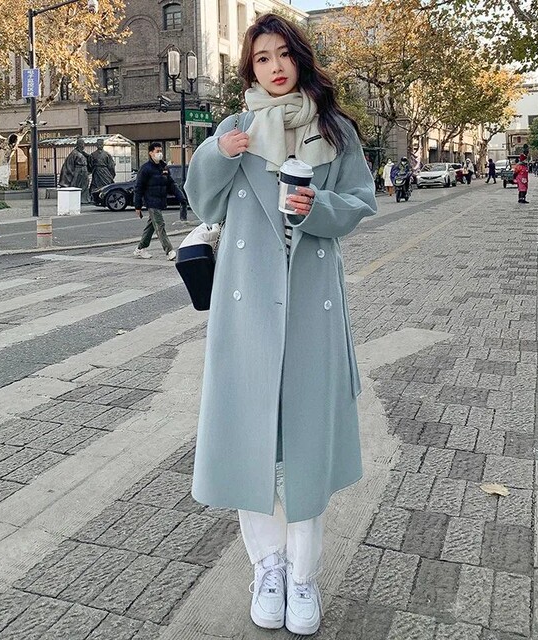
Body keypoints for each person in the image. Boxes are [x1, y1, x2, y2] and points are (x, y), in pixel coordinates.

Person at [184, 13, 376, 636]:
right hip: (247, 310)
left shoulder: (334, 130)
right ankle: (267, 568)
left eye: (283, 54)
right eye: (262, 57)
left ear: (300, 58)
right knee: (251, 449)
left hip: (312, 307)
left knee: (306, 452)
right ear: (251, 68)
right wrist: (217, 153)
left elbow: (360, 202)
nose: (274, 67)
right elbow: (202, 203)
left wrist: (316, 206)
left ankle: (302, 577)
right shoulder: (235, 128)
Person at [133, 141, 186, 260]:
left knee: (152, 225)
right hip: (151, 201)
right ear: (150, 153)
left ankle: (140, 248)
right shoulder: (145, 168)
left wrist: (181, 197)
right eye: (157, 151)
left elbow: (171, 184)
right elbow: (138, 187)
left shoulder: (164, 167)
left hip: (160, 201)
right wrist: (137, 206)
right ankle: (169, 251)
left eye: (161, 151)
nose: (160, 153)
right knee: (160, 224)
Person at [59, 137, 91, 203]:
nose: (83, 146)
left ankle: (84, 199)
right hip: (78, 172)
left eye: (83, 144)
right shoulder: (74, 153)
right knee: (77, 185)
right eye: (82, 144)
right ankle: (76, 199)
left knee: (85, 184)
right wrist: (72, 173)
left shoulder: (83, 153)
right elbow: (69, 164)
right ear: (78, 144)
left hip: (84, 171)